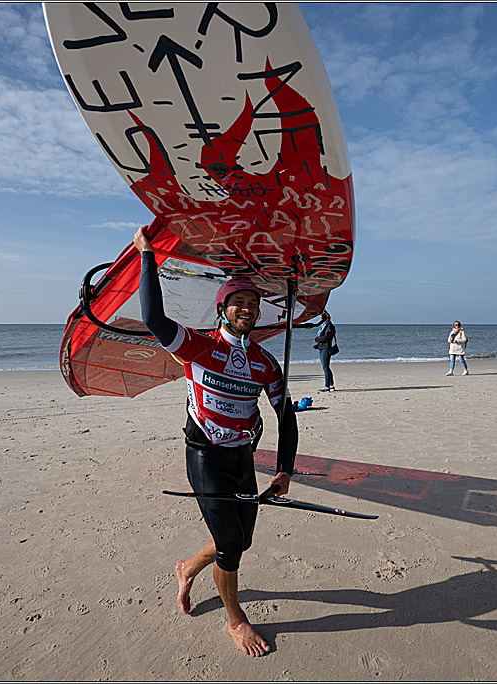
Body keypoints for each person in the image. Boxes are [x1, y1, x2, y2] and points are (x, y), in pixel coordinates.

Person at [133, 226, 297, 657]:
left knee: (240, 540)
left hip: (242, 457)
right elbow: (153, 319)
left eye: (252, 304)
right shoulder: (197, 347)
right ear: (222, 309)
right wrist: (147, 255)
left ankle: (187, 568)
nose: (246, 308)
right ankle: (235, 620)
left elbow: (285, 415)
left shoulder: (265, 364)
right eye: (238, 302)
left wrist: (284, 469)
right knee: (230, 546)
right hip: (204, 455)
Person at [313, 311, 336, 392]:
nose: (322, 319)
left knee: (325, 367)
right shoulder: (324, 325)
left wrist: (317, 339)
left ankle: (327, 387)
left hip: (326, 348)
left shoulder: (330, 327)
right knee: (327, 367)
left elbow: (326, 337)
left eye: (323, 318)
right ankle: (331, 385)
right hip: (322, 347)